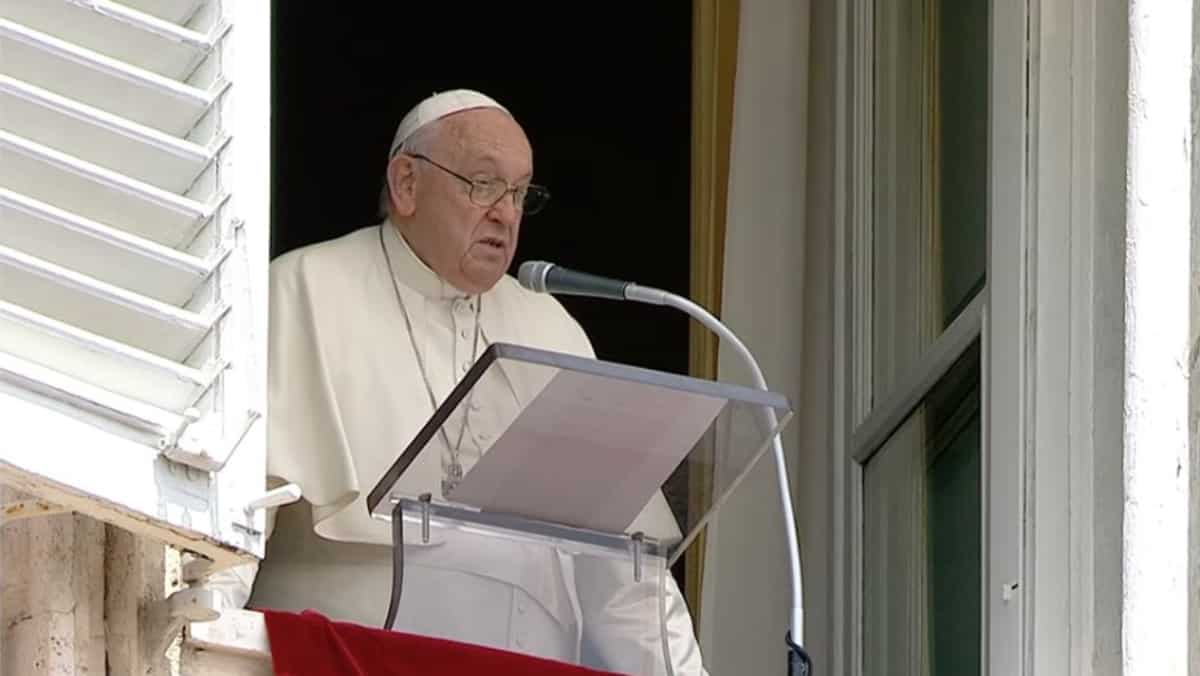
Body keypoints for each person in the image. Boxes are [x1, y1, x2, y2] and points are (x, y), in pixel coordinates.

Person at [209, 89, 710, 675]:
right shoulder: (305, 290)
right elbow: (239, 509)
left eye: (521, 193)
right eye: (482, 184)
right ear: (406, 184)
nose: (505, 212)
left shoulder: (554, 332)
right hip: (350, 658)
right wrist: (195, 638)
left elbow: (620, 572)